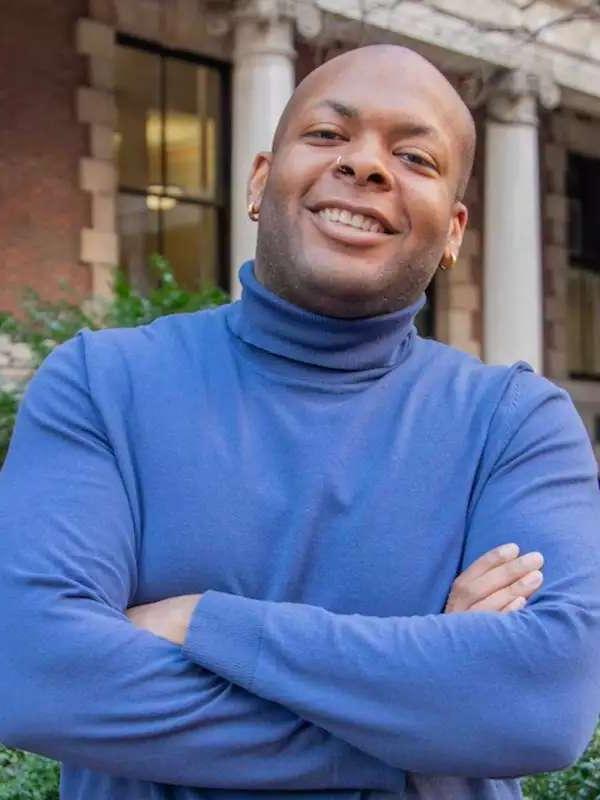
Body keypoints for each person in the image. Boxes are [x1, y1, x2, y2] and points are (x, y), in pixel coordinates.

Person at [0, 43, 599, 800]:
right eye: (326, 135)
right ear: (258, 182)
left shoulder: (514, 425)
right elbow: (37, 677)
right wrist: (423, 722)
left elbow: (539, 707)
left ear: (452, 231)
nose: (367, 166)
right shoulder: (102, 385)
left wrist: (202, 622)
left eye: (415, 156)